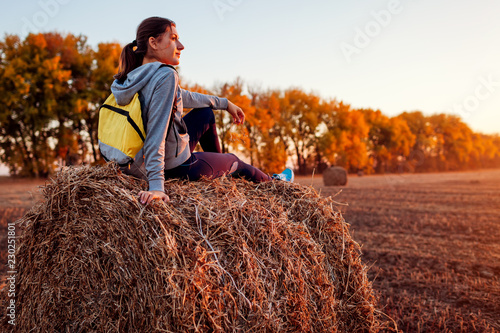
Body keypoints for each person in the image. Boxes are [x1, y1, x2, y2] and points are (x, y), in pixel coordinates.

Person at [110, 16, 293, 205]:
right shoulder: (165, 74)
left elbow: (183, 97)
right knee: (235, 160)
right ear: (153, 43)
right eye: (173, 39)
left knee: (205, 113)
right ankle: (275, 183)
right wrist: (157, 186)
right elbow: (156, 135)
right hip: (174, 166)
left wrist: (225, 103)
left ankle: (221, 176)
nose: (181, 46)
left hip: (135, 163)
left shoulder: (131, 78)